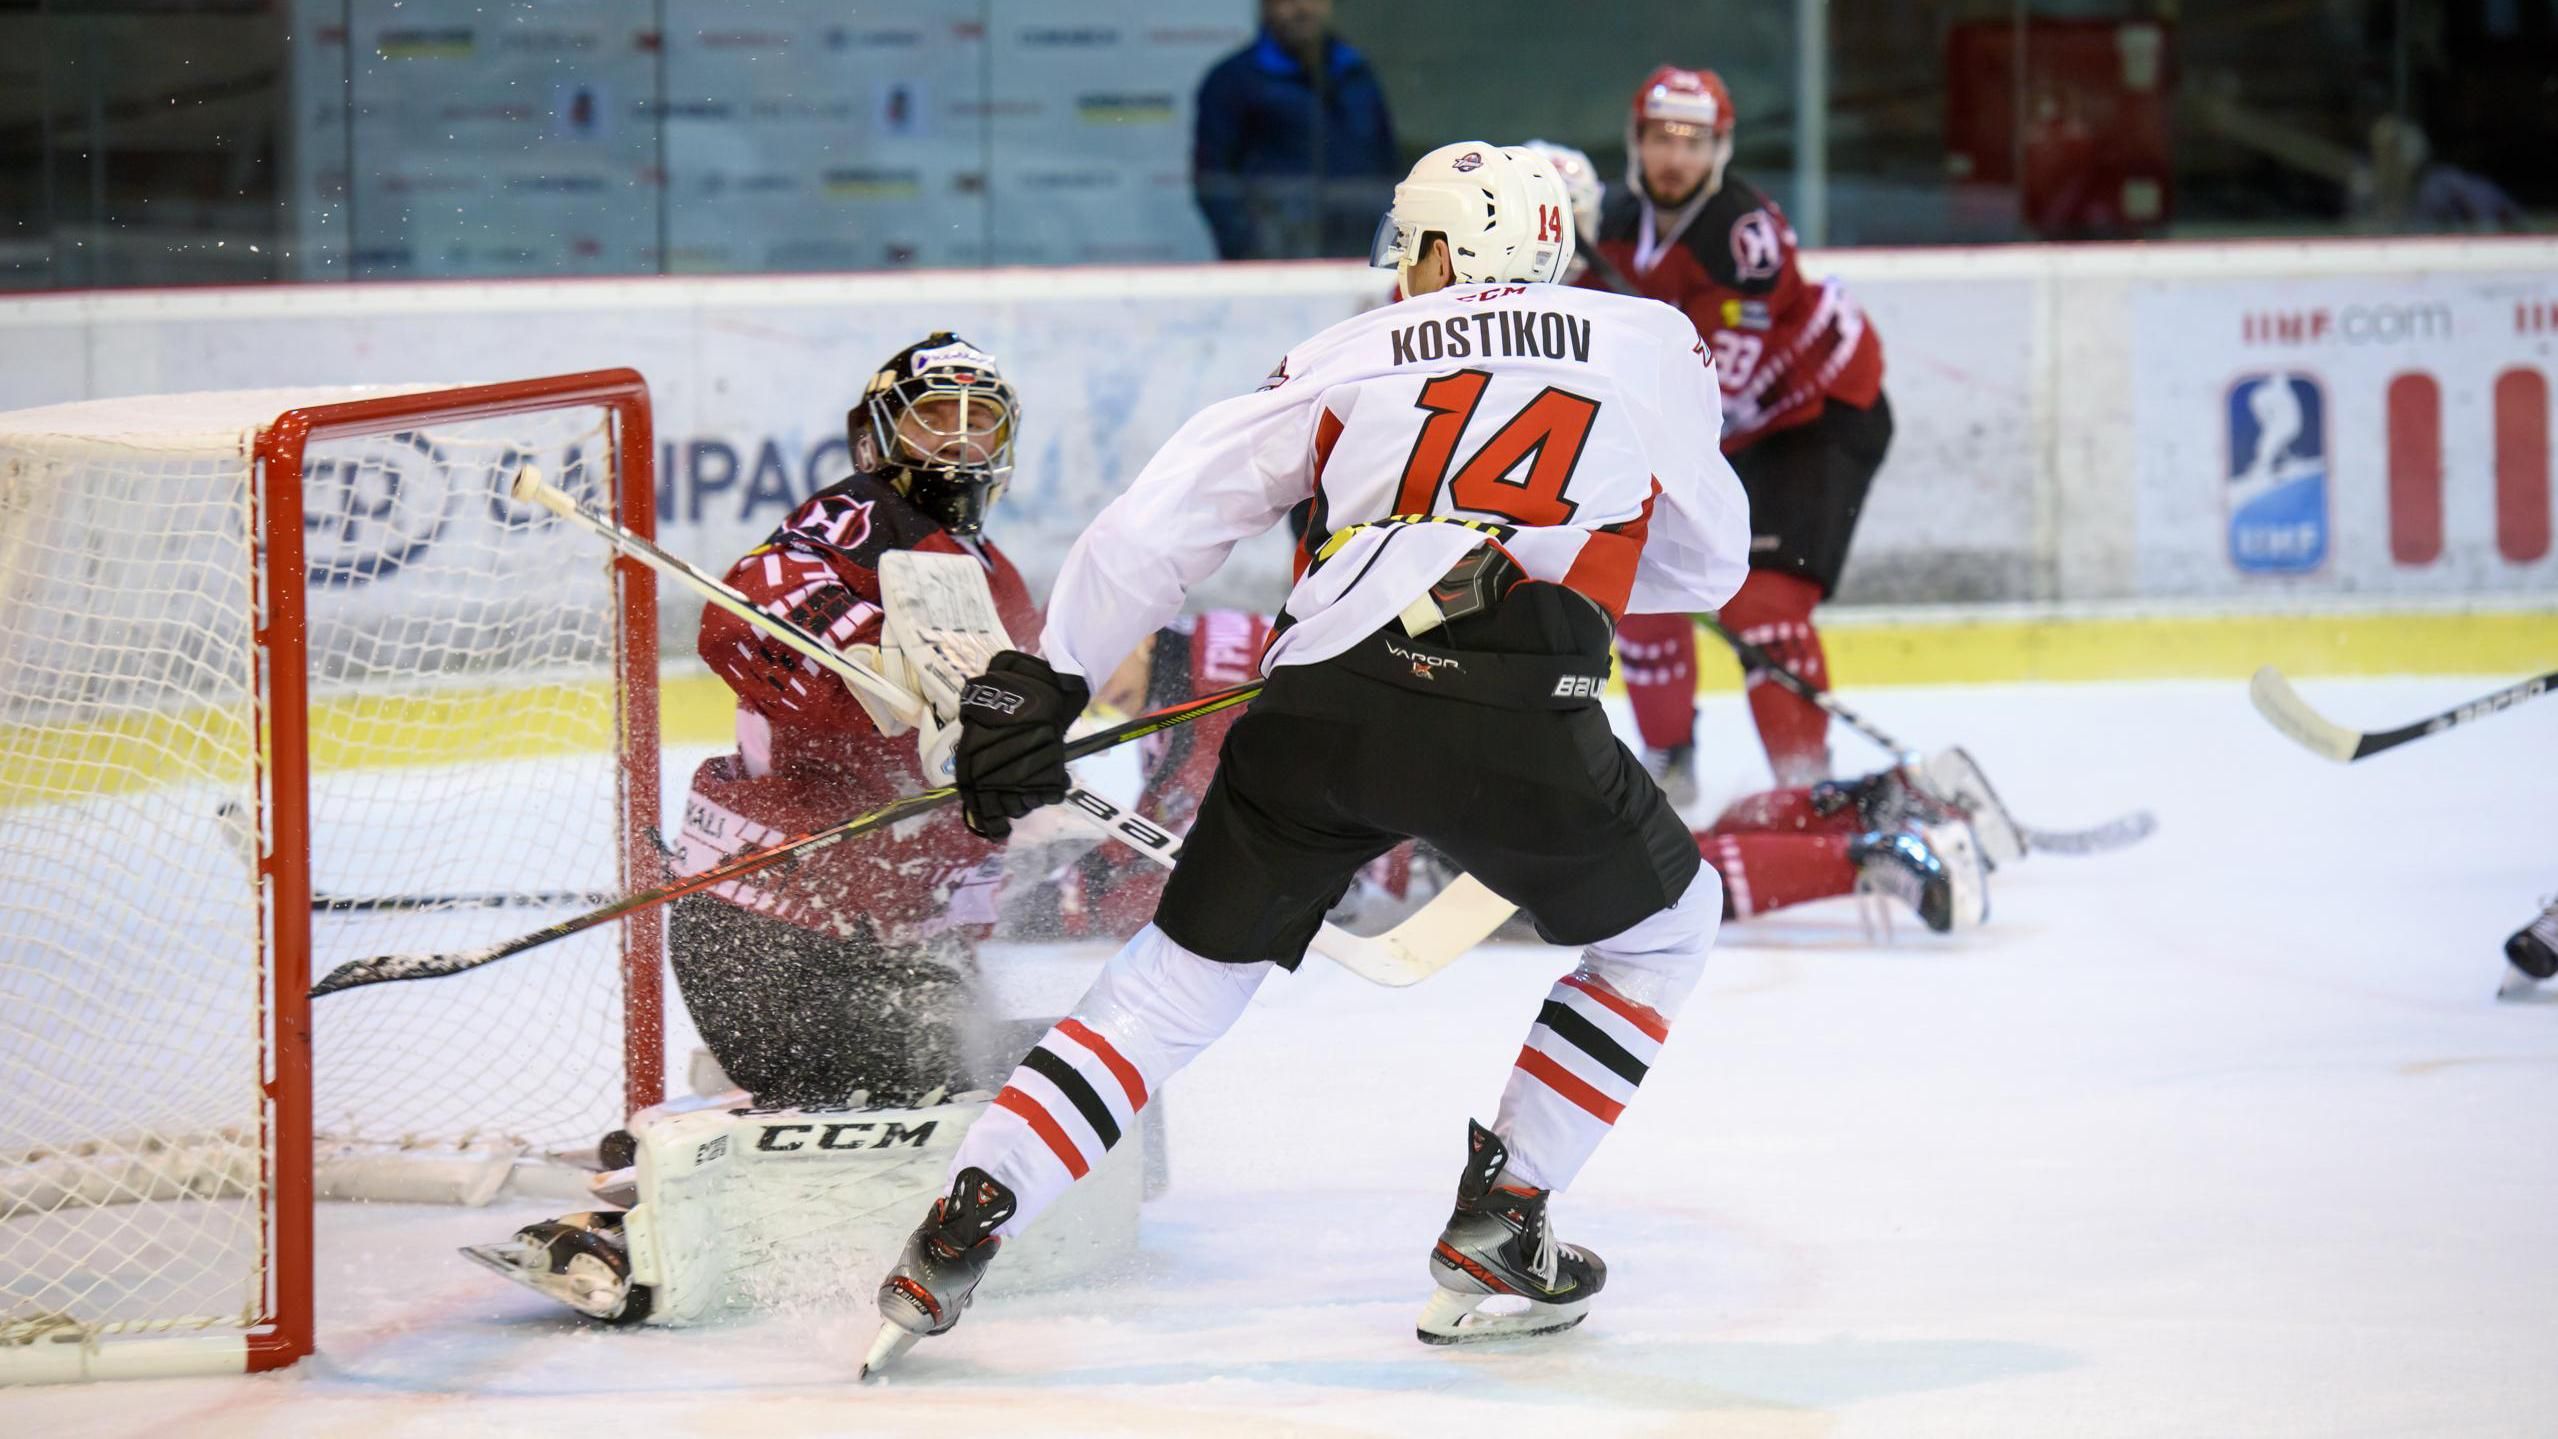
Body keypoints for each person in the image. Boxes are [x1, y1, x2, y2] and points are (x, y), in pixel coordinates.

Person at [862, 140, 1752, 1376]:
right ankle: (1506, 1216)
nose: (1404, 270)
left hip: (1316, 704)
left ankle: (969, 1211)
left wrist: (1047, 675)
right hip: (1512, 715)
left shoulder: (1355, 352)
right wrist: (1564, 553)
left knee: (1173, 983)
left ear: (1451, 249)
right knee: (1666, 927)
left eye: (1415, 246)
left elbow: (1164, 519)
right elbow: (1709, 563)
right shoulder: (1645, 337)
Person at [665, 331, 1039, 1113]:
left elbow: (973, 783)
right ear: (877, 437)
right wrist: (869, 669)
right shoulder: (861, 517)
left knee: (1007, 1075)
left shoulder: (997, 577)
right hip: (769, 916)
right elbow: (740, 614)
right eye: (936, 417)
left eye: (983, 421)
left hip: (883, 927)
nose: (962, 439)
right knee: (925, 1081)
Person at [1589, 66, 1893, 801]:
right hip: (1716, 431)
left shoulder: (1744, 239)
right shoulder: (1617, 226)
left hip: (1813, 416)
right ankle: (1671, 762)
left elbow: (1718, 393)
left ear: (1721, 150)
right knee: (1637, 582)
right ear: (1635, 141)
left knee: (1762, 606)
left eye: (1694, 141)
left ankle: (1804, 792)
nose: (1675, 158)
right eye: (1662, 137)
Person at [1193, 0, 1400, 260]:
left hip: (1358, 258)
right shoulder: (1232, 81)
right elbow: (1215, 181)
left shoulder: (1357, 71)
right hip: (1276, 265)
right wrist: (1250, 253)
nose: (1302, 8)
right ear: (1265, 6)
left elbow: (1385, 161)